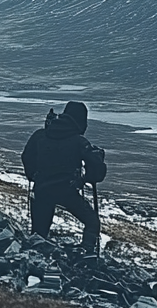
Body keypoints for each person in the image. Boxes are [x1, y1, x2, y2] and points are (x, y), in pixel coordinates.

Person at [21, 100, 103, 252]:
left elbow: (26, 156)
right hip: (66, 191)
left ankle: (35, 262)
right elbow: (97, 172)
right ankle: (86, 254)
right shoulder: (79, 141)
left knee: (38, 234)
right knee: (92, 222)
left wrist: (33, 176)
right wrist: (89, 174)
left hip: (42, 190)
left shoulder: (40, 135)